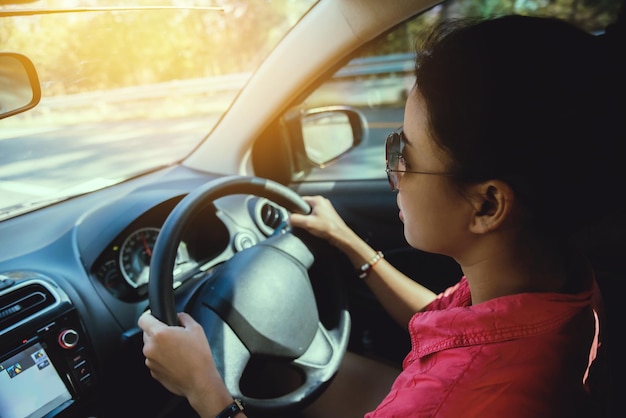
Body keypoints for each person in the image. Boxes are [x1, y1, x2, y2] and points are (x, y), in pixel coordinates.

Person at [138, 14, 623, 418]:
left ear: (488, 205)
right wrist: (350, 245)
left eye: (404, 152)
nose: (391, 166)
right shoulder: (559, 282)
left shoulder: (449, 402)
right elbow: (451, 322)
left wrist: (205, 388)